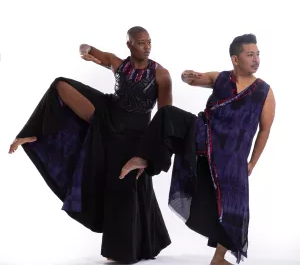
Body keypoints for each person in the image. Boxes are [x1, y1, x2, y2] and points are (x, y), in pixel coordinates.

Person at [8, 26, 172, 263]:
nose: (146, 46)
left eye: (149, 42)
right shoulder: (118, 63)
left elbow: (164, 117)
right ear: (129, 45)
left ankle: (129, 250)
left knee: (126, 185)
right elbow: (89, 48)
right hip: (107, 114)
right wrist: (85, 52)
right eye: (140, 42)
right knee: (60, 85)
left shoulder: (161, 74)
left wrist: (149, 151)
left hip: (134, 134)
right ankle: (36, 134)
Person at [119, 34, 276, 265]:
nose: (256, 59)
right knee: (167, 115)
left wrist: (252, 163)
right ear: (235, 58)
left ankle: (219, 258)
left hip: (231, 157)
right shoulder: (222, 78)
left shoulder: (264, 92)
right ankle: (144, 158)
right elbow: (195, 79)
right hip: (202, 135)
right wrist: (187, 76)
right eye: (250, 54)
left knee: (233, 207)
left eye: (257, 54)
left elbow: (264, 130)